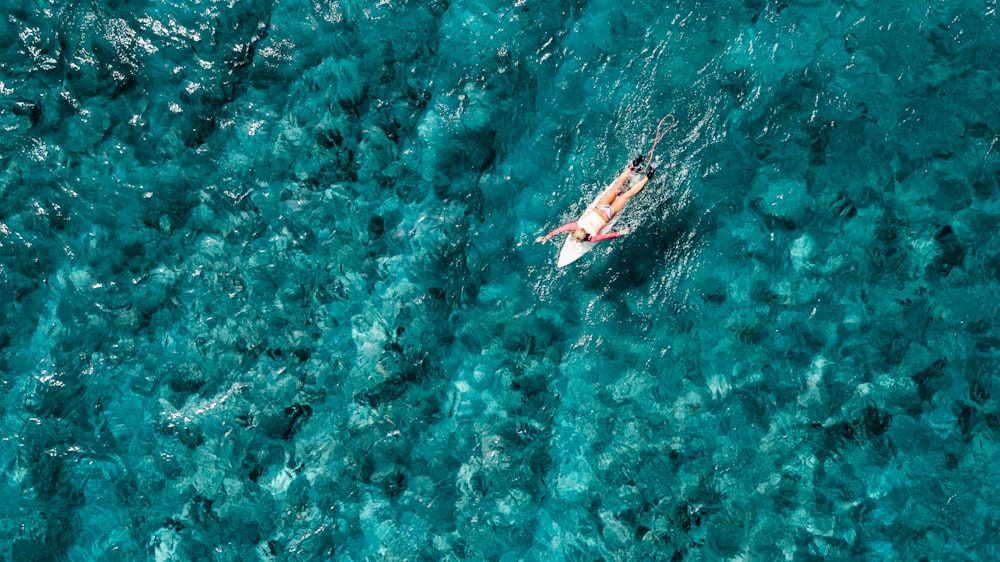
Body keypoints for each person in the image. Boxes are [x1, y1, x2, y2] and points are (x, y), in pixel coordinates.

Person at [535, 155, 656, 244]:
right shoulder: (578, 225)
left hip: (607, 215)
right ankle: (634, 164)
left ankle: (649, 174)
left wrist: (621, 232)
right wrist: (547, 236)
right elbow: (562, 229)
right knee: (616, 187)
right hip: (600, 207)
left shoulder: (592, 238)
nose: (577, 242)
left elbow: (609, 236)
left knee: (626, 195)